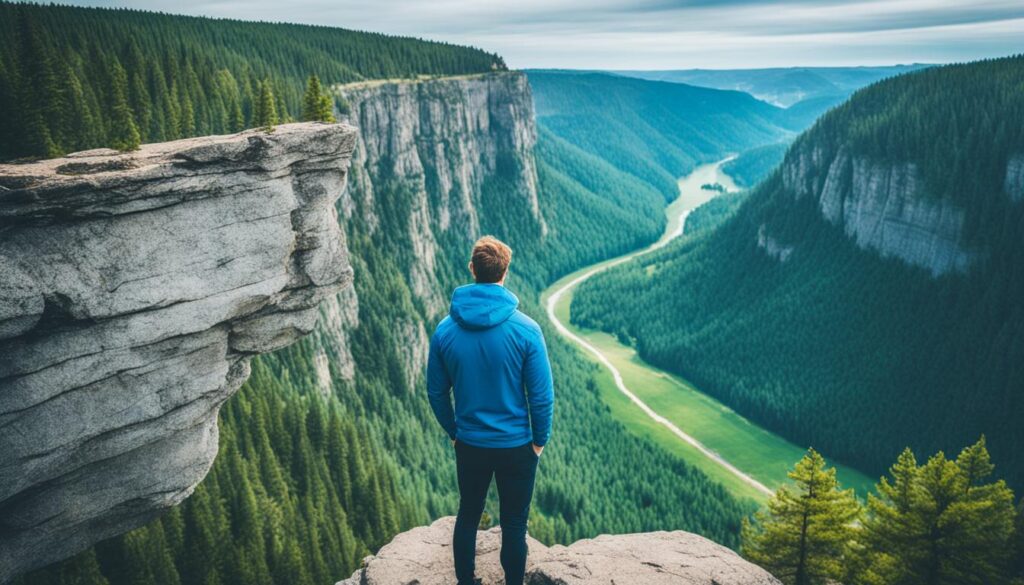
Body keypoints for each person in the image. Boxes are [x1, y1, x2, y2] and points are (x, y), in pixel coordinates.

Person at [427, 235, 554, 585]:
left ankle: (466, 582)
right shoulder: (527, 331)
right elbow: (541, 397)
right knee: (514, 524)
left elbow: (436, 392)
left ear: (472, 269)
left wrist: (454, 431)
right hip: (516, 447)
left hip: (470, 444)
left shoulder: (445, 332)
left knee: (467, 515)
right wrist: (538, 442)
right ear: (505, 272)